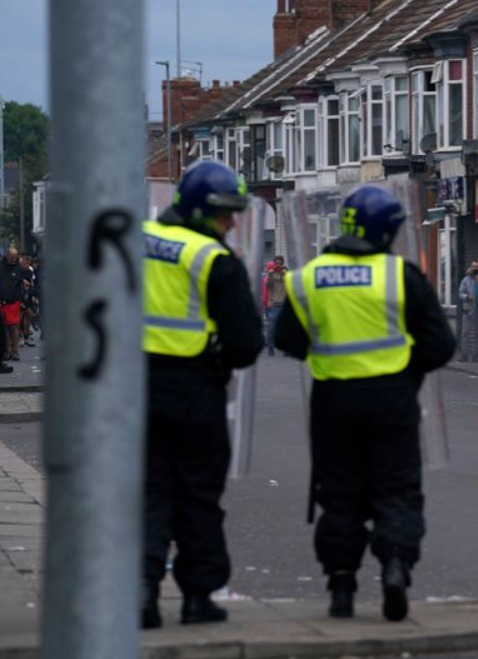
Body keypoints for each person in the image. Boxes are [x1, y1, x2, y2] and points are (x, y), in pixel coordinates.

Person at [275, 184, 455, 622]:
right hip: (392, 399)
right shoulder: (400, 277)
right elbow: (441, 344)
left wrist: (327, 352)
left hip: (333, 402)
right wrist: (406, 369)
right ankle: (394, 565)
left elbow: (284, 339)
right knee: (396, 490)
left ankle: (341, 583)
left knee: (339, 495)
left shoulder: (307, 278)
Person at [141, 161, 264, 629]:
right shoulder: (214, 260)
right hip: (195, 391)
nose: (232, 223)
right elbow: (247, 344)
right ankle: (197, 597)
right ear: (198, 210)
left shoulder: (133, 241)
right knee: (197, 496)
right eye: (225, 214)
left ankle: (140, 594)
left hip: (133, 390)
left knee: (147, 493)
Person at [0, 248, 29, 362]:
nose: (14, 258)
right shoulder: (1, 266)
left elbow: (26, 278)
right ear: (7, 255)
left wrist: (25, 282)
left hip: (14, 301)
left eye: (15, 256)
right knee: (4, 327)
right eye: (12, 255)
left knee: (14, 326)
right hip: (2, 301)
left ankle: (15, 351)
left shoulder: (19, 268)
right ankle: (7, 350)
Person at [264, 255, 288, 356]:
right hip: (274, 304)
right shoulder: (271, 274)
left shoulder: (287, 273)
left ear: (283, 264)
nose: (278, 265)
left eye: (280, 263)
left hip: (285, 304)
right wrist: (269, 276)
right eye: (276, 263)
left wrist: (285, 276)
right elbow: (268, 287)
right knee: (272, 328)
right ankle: (270, 348)